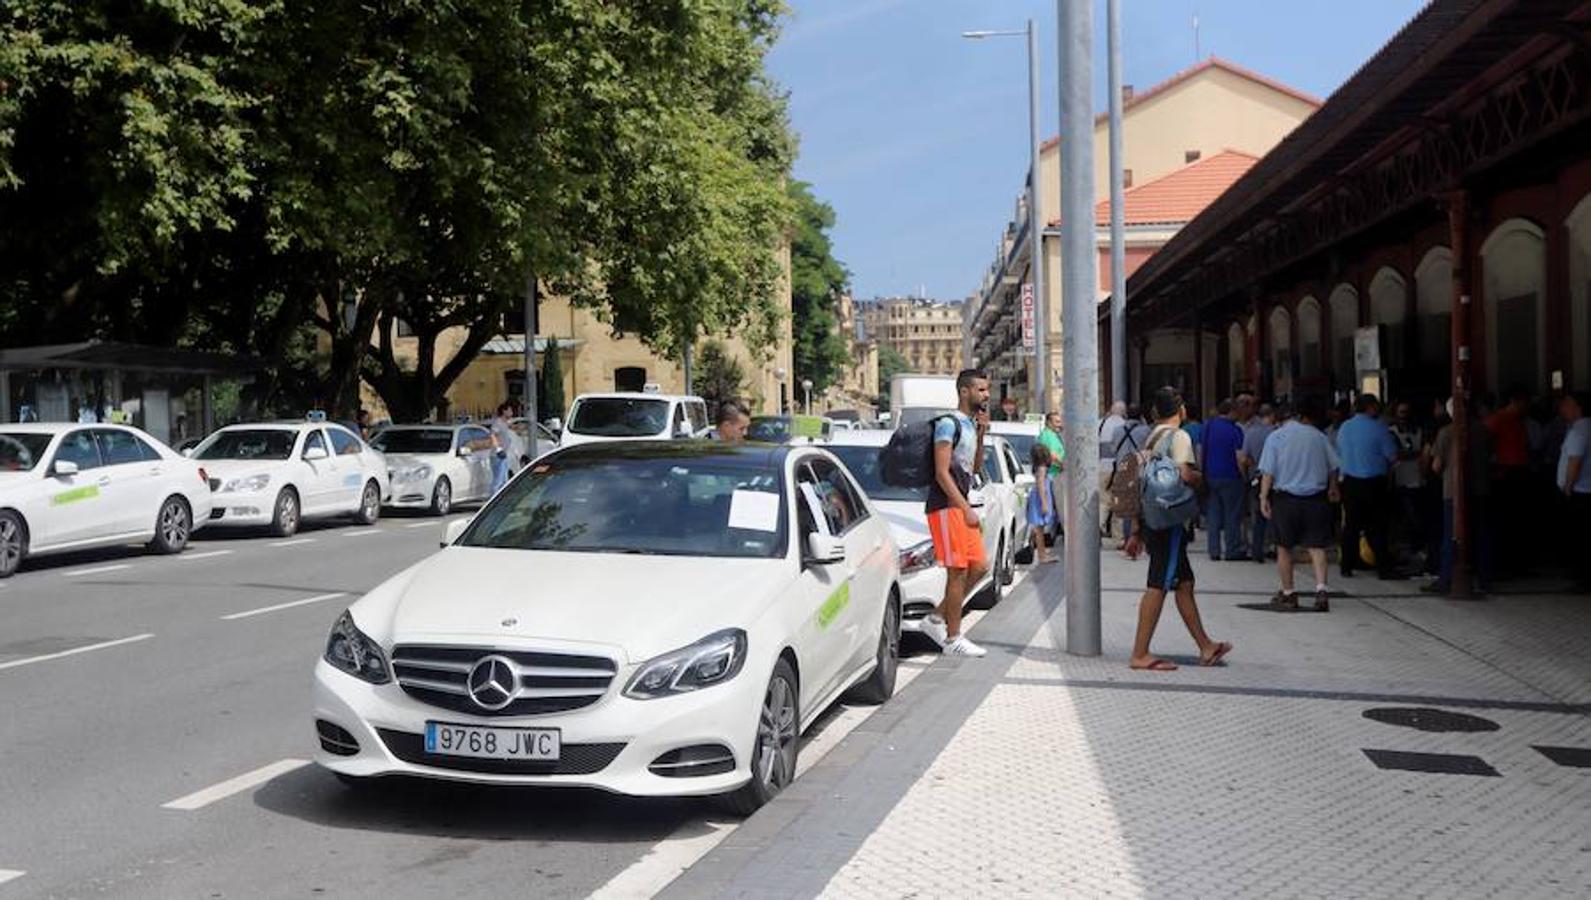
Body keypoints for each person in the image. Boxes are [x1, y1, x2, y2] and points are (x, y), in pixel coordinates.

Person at [1124, 386, 1231, 672]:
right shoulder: (1179, 436)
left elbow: (1141, 482)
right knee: (1158, 583)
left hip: (1152, 517)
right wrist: (1199, 477)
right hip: (1170, 520)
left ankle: (1206, 646)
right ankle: (1140, 653)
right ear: (1181, 410)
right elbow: (1184, 474)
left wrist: (1135, 529)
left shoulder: (1151, 436)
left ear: (1156, 412)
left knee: (1184, 582)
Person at [918, 369, 992, 657]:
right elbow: (941, 472)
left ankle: (935, 618)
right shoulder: (947, 425)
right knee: (958, 571)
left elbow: (972, 469)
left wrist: (983, 433)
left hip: (961, 506)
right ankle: (953, 638)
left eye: (986, 390)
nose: (986, 395)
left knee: (980, 567)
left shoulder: (970, 426)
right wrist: (965, 508)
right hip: (947, 507)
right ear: (964, 391)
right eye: (981, 390)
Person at [1258, 399, 1341, 611]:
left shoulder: (1275, 437)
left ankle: (1289, 593)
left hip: (1286, 500)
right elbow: (1334, 467)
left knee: (1284, 547)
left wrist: (1263, 497)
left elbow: (1268, 472)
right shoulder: (1318, 436)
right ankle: (1321, 590)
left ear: (1279, 420)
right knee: (1317, 546)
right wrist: (1332, 487)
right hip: (1315, 499)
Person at [1425, 396, 1495, 594]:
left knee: (1450, 536)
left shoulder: (1446, 433)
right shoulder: (1484, 431)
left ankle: (1446, 578)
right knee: (1482, 534)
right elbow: (1491, 457)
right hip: (1481, 489)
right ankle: (1485, 578)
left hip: (1453, 492)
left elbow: (1436, 466)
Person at [1335, 393, 1400, 579]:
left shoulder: (1345, 428)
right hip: (1373, 483)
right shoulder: (1379, 428)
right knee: (1376, 526)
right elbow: (1392, 456)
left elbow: (1339, 451)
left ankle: (1347, 565)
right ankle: (1383, 567)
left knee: (1351, 526)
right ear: (1370, 407)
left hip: (1349, 482)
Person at [1201, 399, 1247, 560]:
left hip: (1211, 475)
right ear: (1232, 412)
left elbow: (1202, 450)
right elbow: (1239, 456)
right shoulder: (1235, 430)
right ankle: (1232, 549)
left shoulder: (1209, 426)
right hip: (1231, 476)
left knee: (1213, 514)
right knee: (1232, 514)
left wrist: (1203, 472)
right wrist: (1244, 476)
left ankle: (1214, 550)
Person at [1556, 391, 1591, 591]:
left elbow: (1575, 461)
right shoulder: (1583, 428)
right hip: (1585, 490)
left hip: (1579, 492)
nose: (1562, 408)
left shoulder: (1579, 431)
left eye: (1566, 404)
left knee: (1580, 537)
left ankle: (1582, 579)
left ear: (1578, 408)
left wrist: (1568, 486)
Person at [1238, 403, 1277, 563]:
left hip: (1256, 477)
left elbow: (1242, 457)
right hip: (1275, 478)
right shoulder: (1275, 433)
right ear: (1271, 416)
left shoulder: (1250, 433)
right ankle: (1274, 547)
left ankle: (1257, 550)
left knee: (1258, 516)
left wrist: (1245, 475)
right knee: (1275, 515)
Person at [1388, 401, 1426, 560]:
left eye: (1406, 412)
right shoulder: (1391, 431)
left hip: (1418, 479)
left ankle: (1416, 546)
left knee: (1416, 515)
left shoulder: (1419, 431)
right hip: (1400, 479)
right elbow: (1396, 454)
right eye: (1401, 412)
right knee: (1404, 516)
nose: (1404, 416)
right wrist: (1416, 454)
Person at [1027, 443, 1058, 564]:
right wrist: (1044, 503)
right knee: (1039, 529)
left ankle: (1042, 553)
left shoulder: (1038, 467)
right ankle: (1042, 555)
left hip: (1039, 497)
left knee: (1039, 529)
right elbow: (1041, 485)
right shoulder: (1042, 468)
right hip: (1041, 498)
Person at [1038, 411, 1066, 540]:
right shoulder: (1046, 436)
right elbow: (1051, 454)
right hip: (1051, 475)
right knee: (1050, 509)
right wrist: (1063, 464)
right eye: (1057, 422)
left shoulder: (1054, 435)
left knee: (1056, 509)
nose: (1059, 425)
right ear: (1049, 422)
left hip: (1055, 474)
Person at [488, 402, 516, 493]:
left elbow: (513, 427)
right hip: (498, 456)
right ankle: (492, 501)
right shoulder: (498, 422)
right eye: (510, 410)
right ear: (504, 411)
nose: (511, 412)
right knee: (498, 481)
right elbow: (492, 435)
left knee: (504, 481)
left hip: (504, 455)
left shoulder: (505, 423)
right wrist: (498, 449)